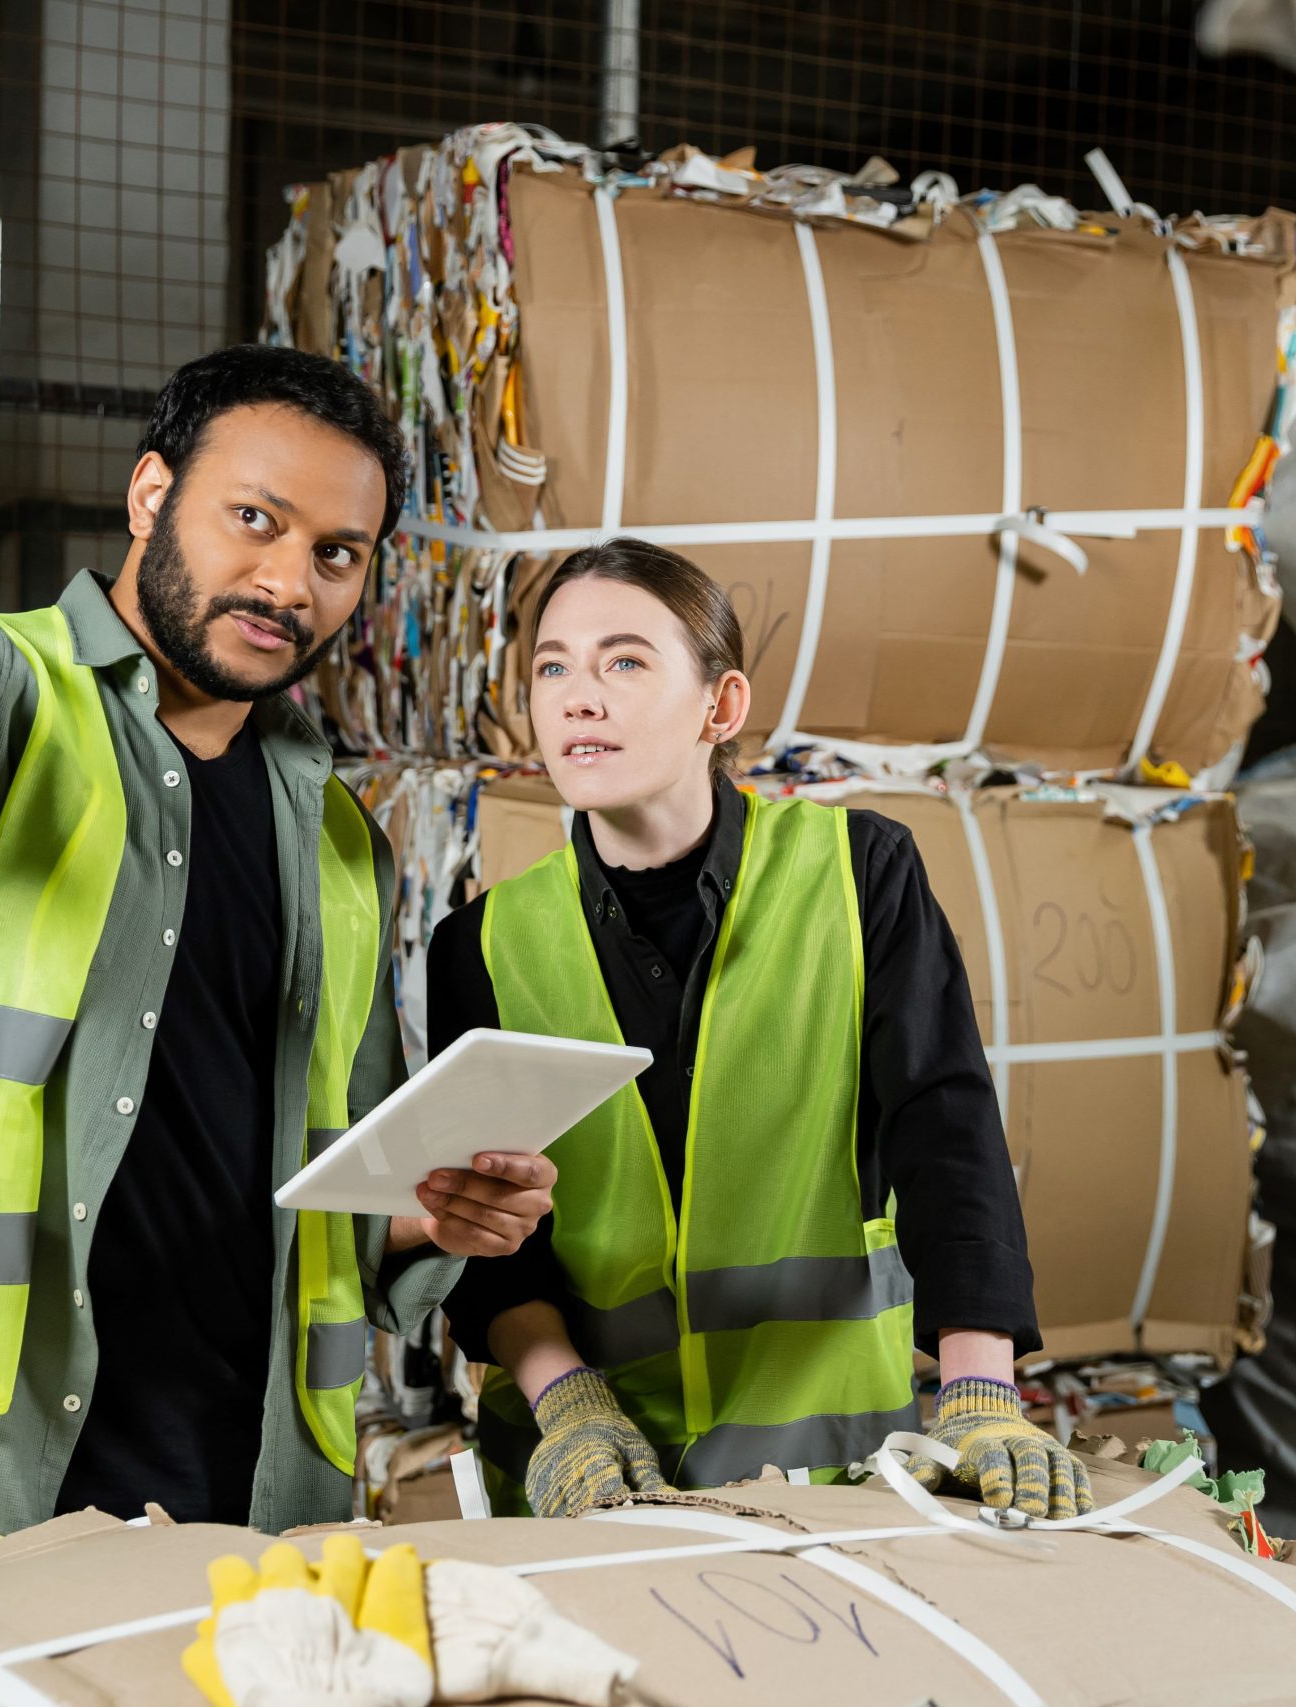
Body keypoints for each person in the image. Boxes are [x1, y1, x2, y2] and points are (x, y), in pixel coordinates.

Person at [0, 290, 557, 1604]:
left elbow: (333, 1181)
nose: (289, 580)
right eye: (256, 518)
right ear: (152, 491)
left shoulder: (334, 836)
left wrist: (431, 1213)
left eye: (339, 553)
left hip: (249, 1506)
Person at [428, 538, 1090, 1520]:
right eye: (551, 667)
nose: (578, 696)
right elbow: (485, 1232)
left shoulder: (857, 873)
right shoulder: (480, 944)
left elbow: (945, 1130)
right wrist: (567, 1405)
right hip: (590, 1487)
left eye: (623, 661)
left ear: (720, 706)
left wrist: (980, 1392)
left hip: (829, 1480)